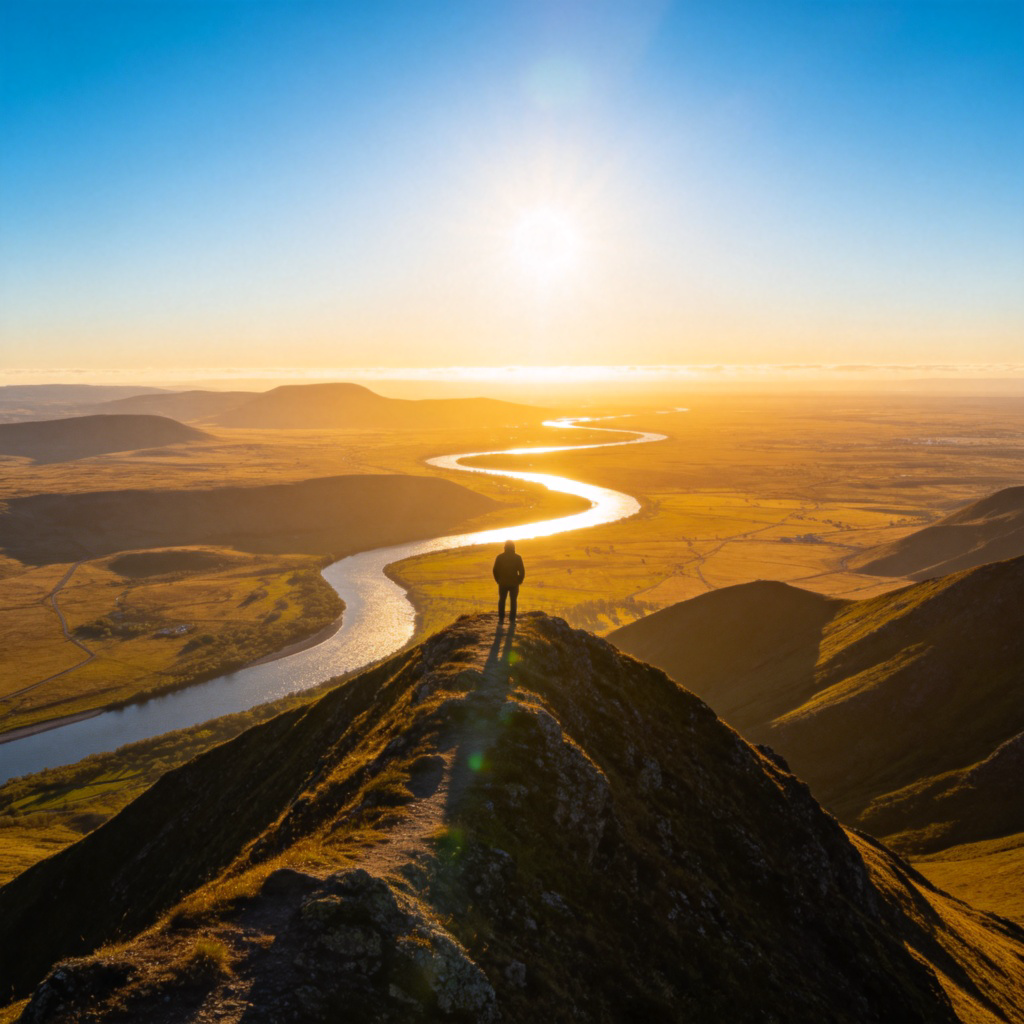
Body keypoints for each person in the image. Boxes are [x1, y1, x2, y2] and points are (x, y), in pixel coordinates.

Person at [492, 540, 525, 624]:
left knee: (502, 600)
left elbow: (495, 570)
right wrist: (519, 580)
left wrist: (498, 580)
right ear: (514, 547)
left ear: (505, 547)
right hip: (514, 583)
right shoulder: (517, 557)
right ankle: (512, 619)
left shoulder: (500, 557)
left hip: (502, 583)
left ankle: (501, 618)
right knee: (513, 601)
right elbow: (522, 571)